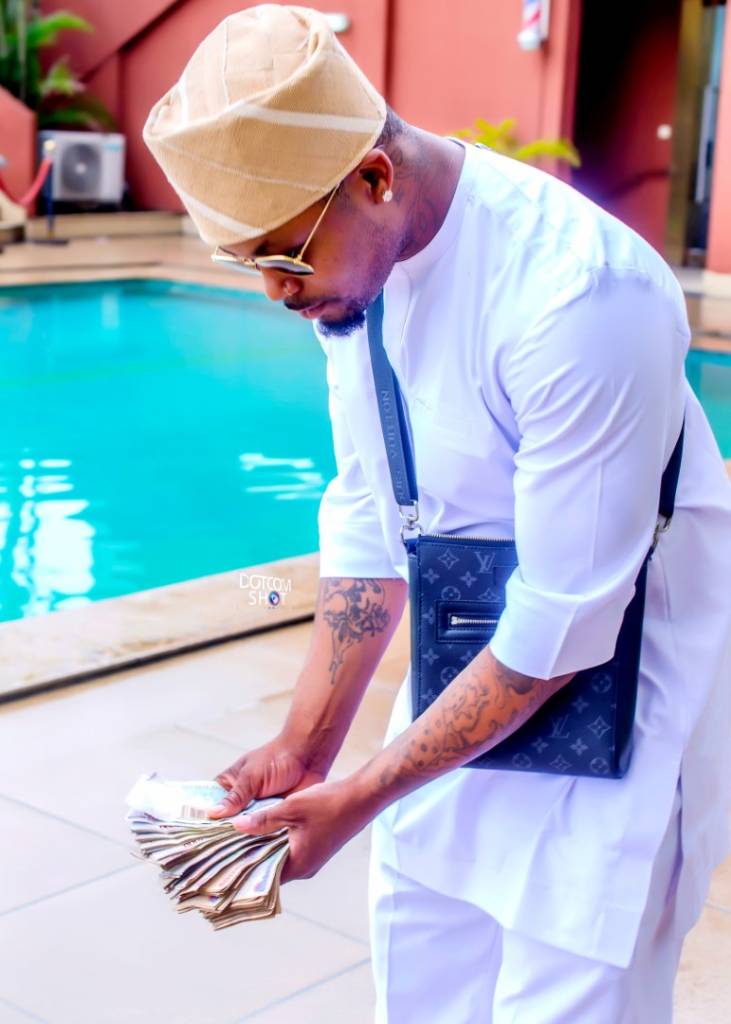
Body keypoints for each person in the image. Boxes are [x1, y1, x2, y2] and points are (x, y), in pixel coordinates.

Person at [144, 6, 731, 1021]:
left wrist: (363, 792)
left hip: (616, 682)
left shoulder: (579, 298)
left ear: (373, 177)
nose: (275, 291)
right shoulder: (351, 274)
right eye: (250, 264)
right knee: (419, 971)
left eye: (285, 255)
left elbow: (562, 622)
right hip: (467, 660)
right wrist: (308, 749)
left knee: (570, 986)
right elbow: (369, 511)